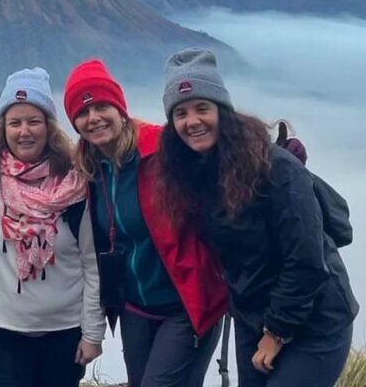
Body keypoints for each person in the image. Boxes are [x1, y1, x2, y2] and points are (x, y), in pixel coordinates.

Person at [157, 48, 359, 387]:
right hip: (255, 317)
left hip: (316, 319)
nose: (191, 121)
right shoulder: (194, 174)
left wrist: (277, 331)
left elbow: (307, 258)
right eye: (180, 113)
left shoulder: (276, 169)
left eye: (202, 108)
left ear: (223, 111)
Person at [64, 58, 227, 387]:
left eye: (102, 106)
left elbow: (220, 161)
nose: (93, 118)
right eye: (82, 112)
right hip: (135, 307)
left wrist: (275, 155)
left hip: (186, 303)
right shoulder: (87, 169)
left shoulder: (164, 149)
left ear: (119, 108)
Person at [0, 69, 103, 387]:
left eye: (34, 121)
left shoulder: (75, 183)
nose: (24, 131)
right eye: (15, 122)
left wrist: (93, 333)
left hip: (64, 335)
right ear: (2, 129)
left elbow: (92, 263)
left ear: (49, 127)